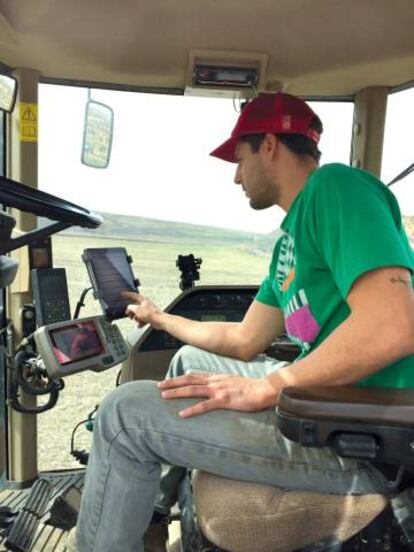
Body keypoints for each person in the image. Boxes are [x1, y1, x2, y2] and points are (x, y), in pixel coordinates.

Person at [68, 92, 414, 552]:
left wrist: (268, 387)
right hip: (320, 404)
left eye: (239, 157)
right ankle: (150, 509)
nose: (235, 176)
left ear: (269, 146)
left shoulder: (337, 188)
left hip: (358, 437)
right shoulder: (289, 240)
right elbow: (243, 338)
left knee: (122, 415)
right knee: (189, 359)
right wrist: (159, 317)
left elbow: (394, 323)